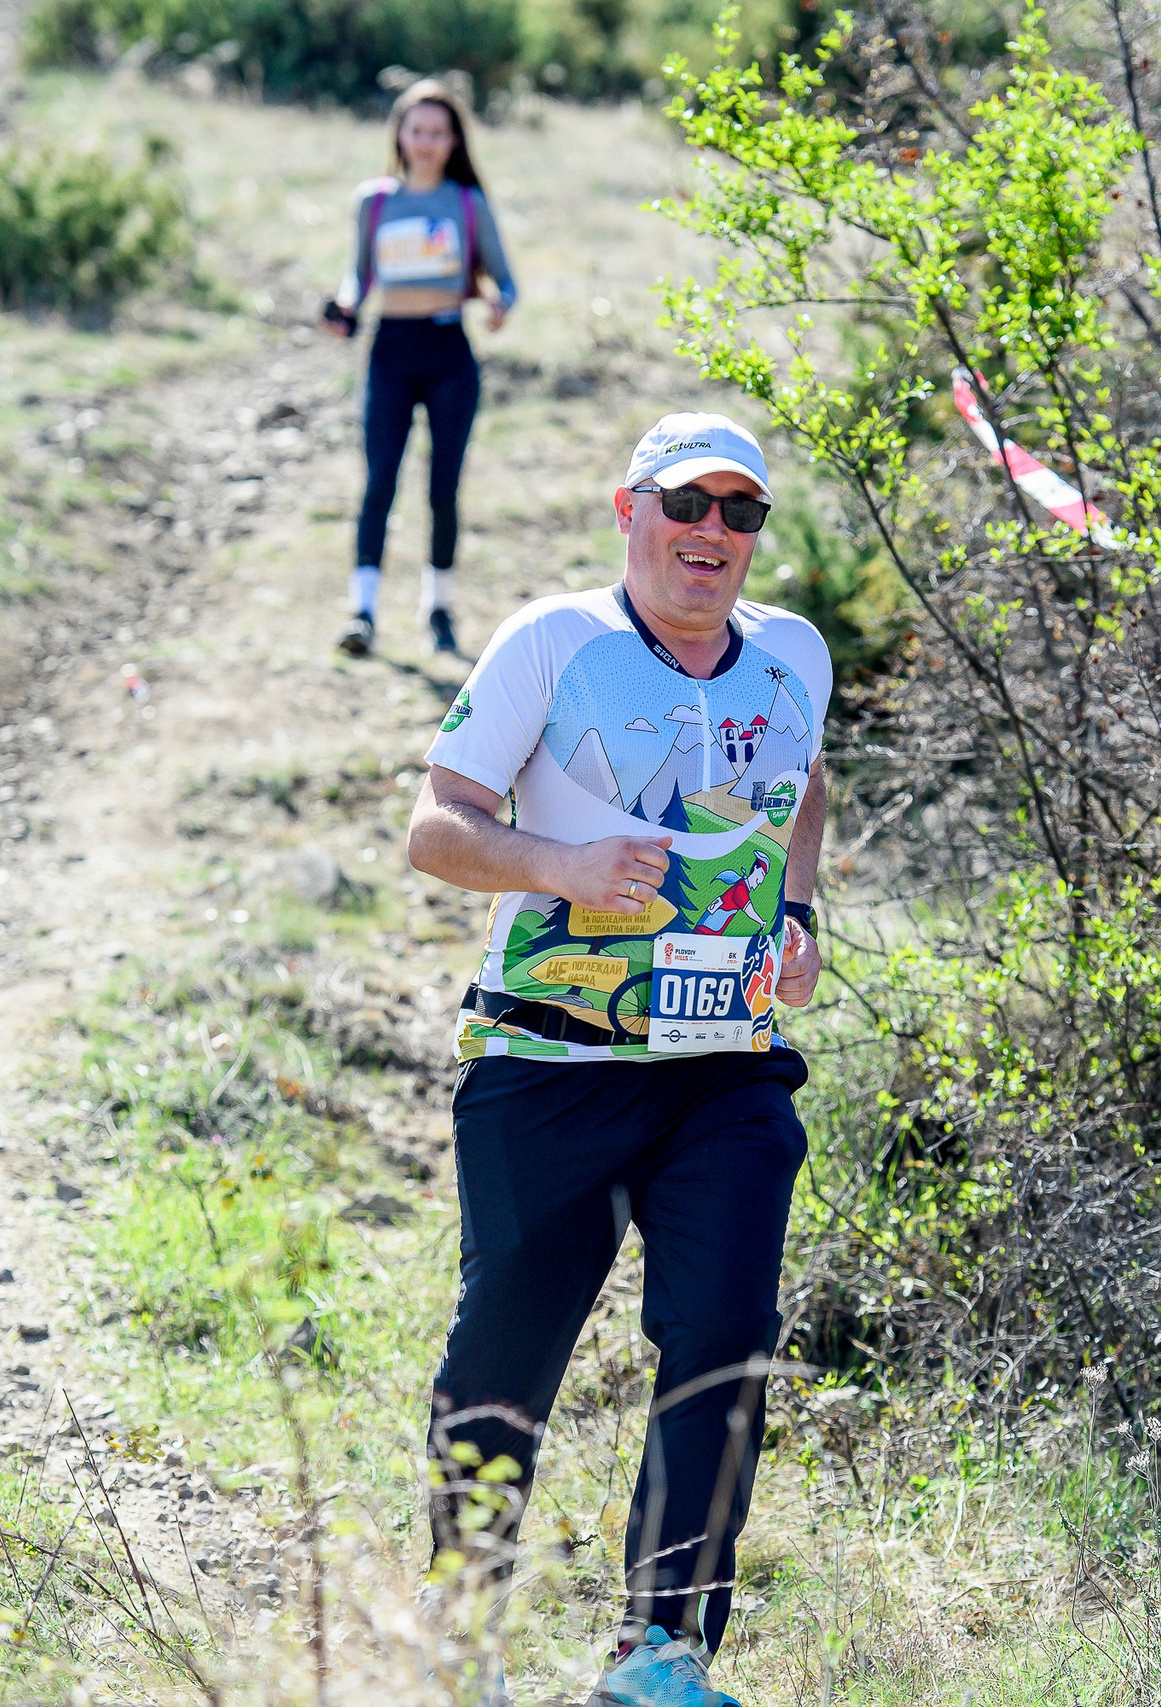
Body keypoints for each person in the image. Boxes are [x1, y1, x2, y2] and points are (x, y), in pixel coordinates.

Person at [406, 411, 831, 1707]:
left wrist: (800, 912)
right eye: (684, 504)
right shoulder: (556, 640)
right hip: (552, 1057)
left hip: (725, 1071)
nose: (711, 533)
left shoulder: (794, 655)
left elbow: (806, 784)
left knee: (721, 1334)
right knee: (507, 1356)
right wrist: (564, 867)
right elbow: (438, 825)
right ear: (627, 508)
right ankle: (460, 1635)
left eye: (739, 512)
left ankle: (661, 1652)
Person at [322, 79, 517, 660]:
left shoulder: (466, 202)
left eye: (438, 131)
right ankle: (363, 613)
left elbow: (507, 280)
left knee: (442, 487)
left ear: (454, 139)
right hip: (390, 350)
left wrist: (503, 305)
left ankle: (439, 608)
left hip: (449, 352)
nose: (427, 142)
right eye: (417, 130)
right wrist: (346, 306)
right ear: (400, 136)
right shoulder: (374, 201)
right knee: (379, 480)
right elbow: (358, 275)